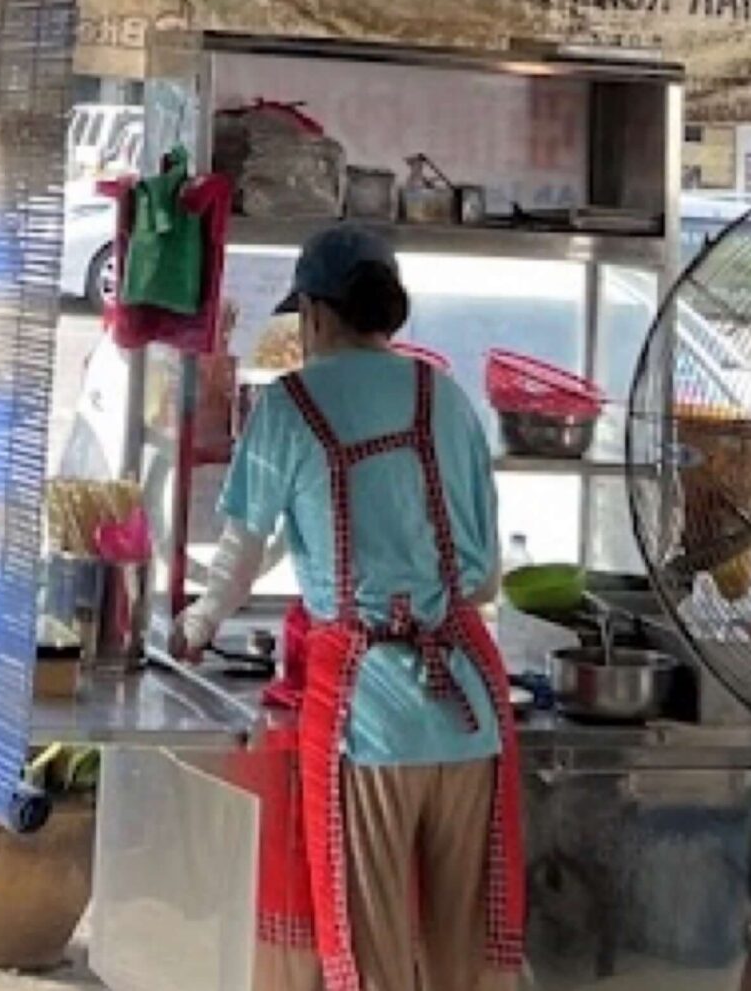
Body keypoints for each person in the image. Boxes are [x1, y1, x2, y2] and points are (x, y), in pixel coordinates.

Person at [171, 225, 521, 991]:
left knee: (375, 960)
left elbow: (242, 547)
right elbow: (487, 574)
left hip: (373, 721)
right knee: (459, 961)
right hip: (469, 715)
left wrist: (197, 625)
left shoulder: (293, 403)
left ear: (320, 315)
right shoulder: (445, 397)